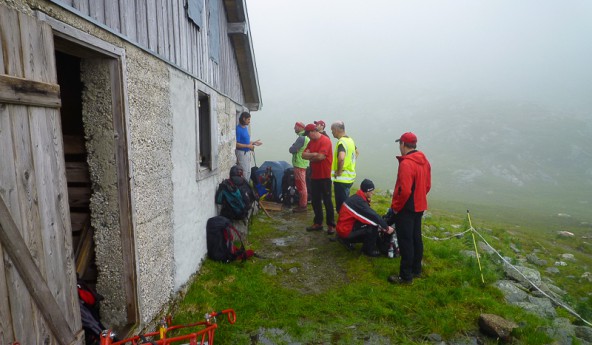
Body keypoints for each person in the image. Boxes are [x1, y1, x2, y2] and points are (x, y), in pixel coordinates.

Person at [387, 132, 431, 285]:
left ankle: (405, 276)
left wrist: (397, 207)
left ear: (403, 144)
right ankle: (416, 270)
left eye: (400, 144)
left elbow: (404, 190)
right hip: (419, 205)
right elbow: (427, 185)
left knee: (406, 241)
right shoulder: (424, 161)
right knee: (416, 238)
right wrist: (419, 196)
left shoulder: (406, 163)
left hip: (406, 207)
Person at [336, 179, 394, 257]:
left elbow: (368, 216)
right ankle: (368, 250)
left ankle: (346, 239)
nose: (373, 193)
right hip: (345, 231)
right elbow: (373, 216)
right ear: (366, 191)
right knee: (373, 226)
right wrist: (386, 228)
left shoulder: (357, 198)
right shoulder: (359, 202)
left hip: (343, 228)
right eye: (371, 191)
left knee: (371, 224)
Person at [301, 123, 335, 234]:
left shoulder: (325, 141)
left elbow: (321, 157)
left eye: (308, 134)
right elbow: (303, 155)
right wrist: (314, 155)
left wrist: (312, 156)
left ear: (312, 131)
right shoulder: (311, 142)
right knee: (315, 201)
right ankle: (318, 223)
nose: (308, 137)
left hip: (325, 176)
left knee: (327, 201)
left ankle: (331, 225)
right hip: (315, 176)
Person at [330, 121, 356, 212]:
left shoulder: (342, 142)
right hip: (349, 178)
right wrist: (349, 164)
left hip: (342, 179)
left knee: (341, 207)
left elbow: (341, 158)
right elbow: (356, 152)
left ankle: (344, 224)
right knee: (346, 203)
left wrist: (339, 171)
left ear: (336, 130)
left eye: (332, 130)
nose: (332, 132)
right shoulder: (350, 140)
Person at [288, 122, 310, 213]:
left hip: (299, 164)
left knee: (301, 186)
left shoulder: (301, 138)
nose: (294, 128)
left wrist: (293, 146)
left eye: (296, 127)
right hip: (303, 163)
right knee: (302, 185)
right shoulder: (307, 137)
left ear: (301, 128)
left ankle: (303, 205)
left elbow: (292, 150)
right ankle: (302, 203)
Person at [235, 112, 262, 181]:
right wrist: (248, 146)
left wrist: (254, 143)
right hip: (241, 153)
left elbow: (246, 142)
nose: (249, 121)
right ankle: (244, 189)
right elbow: (236, 144)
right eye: (248, 119)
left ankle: (247, 188)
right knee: (244, 172)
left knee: (248, 171)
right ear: (244, 119)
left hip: (247, 152)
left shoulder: (245, 128)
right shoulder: (238, 129)